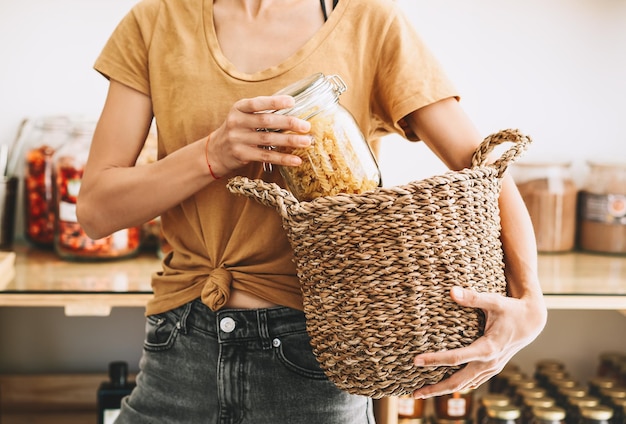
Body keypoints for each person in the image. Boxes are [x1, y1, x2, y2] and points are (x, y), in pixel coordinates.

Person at [77, 0, 547, 422]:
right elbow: (96, 211)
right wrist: (213, 155)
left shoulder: (369, 21)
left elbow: (485, 170)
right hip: (179, 346)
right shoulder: (154, 21)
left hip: (318, 356)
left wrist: (530, 302)